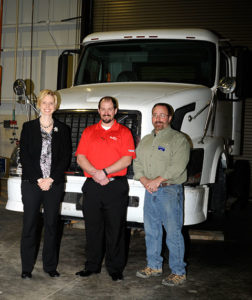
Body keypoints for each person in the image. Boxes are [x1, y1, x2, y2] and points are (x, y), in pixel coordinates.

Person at [75, 96, 136, 281]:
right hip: (92, 185)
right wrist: (96, 173)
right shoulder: (89, 131)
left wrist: (105, 172)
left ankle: (115, 268)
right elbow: (80, 157)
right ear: (99, 110)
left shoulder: (124, 132)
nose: (106, 112)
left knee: (115, 229)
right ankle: (92, 266)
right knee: (92, 229)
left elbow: (127, 159)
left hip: (115, 186)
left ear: (115, 111)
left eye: (110, 109)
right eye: (103, 109)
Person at [133, 103, 190, 286]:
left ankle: (179, 272)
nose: (158, 119)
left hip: (169, 191)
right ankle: (154, 266)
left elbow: (177, 166)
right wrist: (144, 181)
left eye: (162, 115)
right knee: (151, 231)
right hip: (150, 192)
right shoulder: (147, 140)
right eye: (155, 115)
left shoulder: (178, 139)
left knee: (173, 233)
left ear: (170, 117)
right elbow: (138, 163)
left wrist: (156, 181)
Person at [19, 89, 71, 279]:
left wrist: (51, 179)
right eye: (44, 103)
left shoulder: (63, 129)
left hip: (54, 184)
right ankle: (26, 268)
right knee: (30, 225)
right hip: (32, 183)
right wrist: (39, 179)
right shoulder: (28, 127)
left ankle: (50, 266)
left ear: (55, 106)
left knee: (51, 225)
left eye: (51, 103)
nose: (48, 106)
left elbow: (65, 158)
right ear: (39, 104)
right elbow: (24, 156)